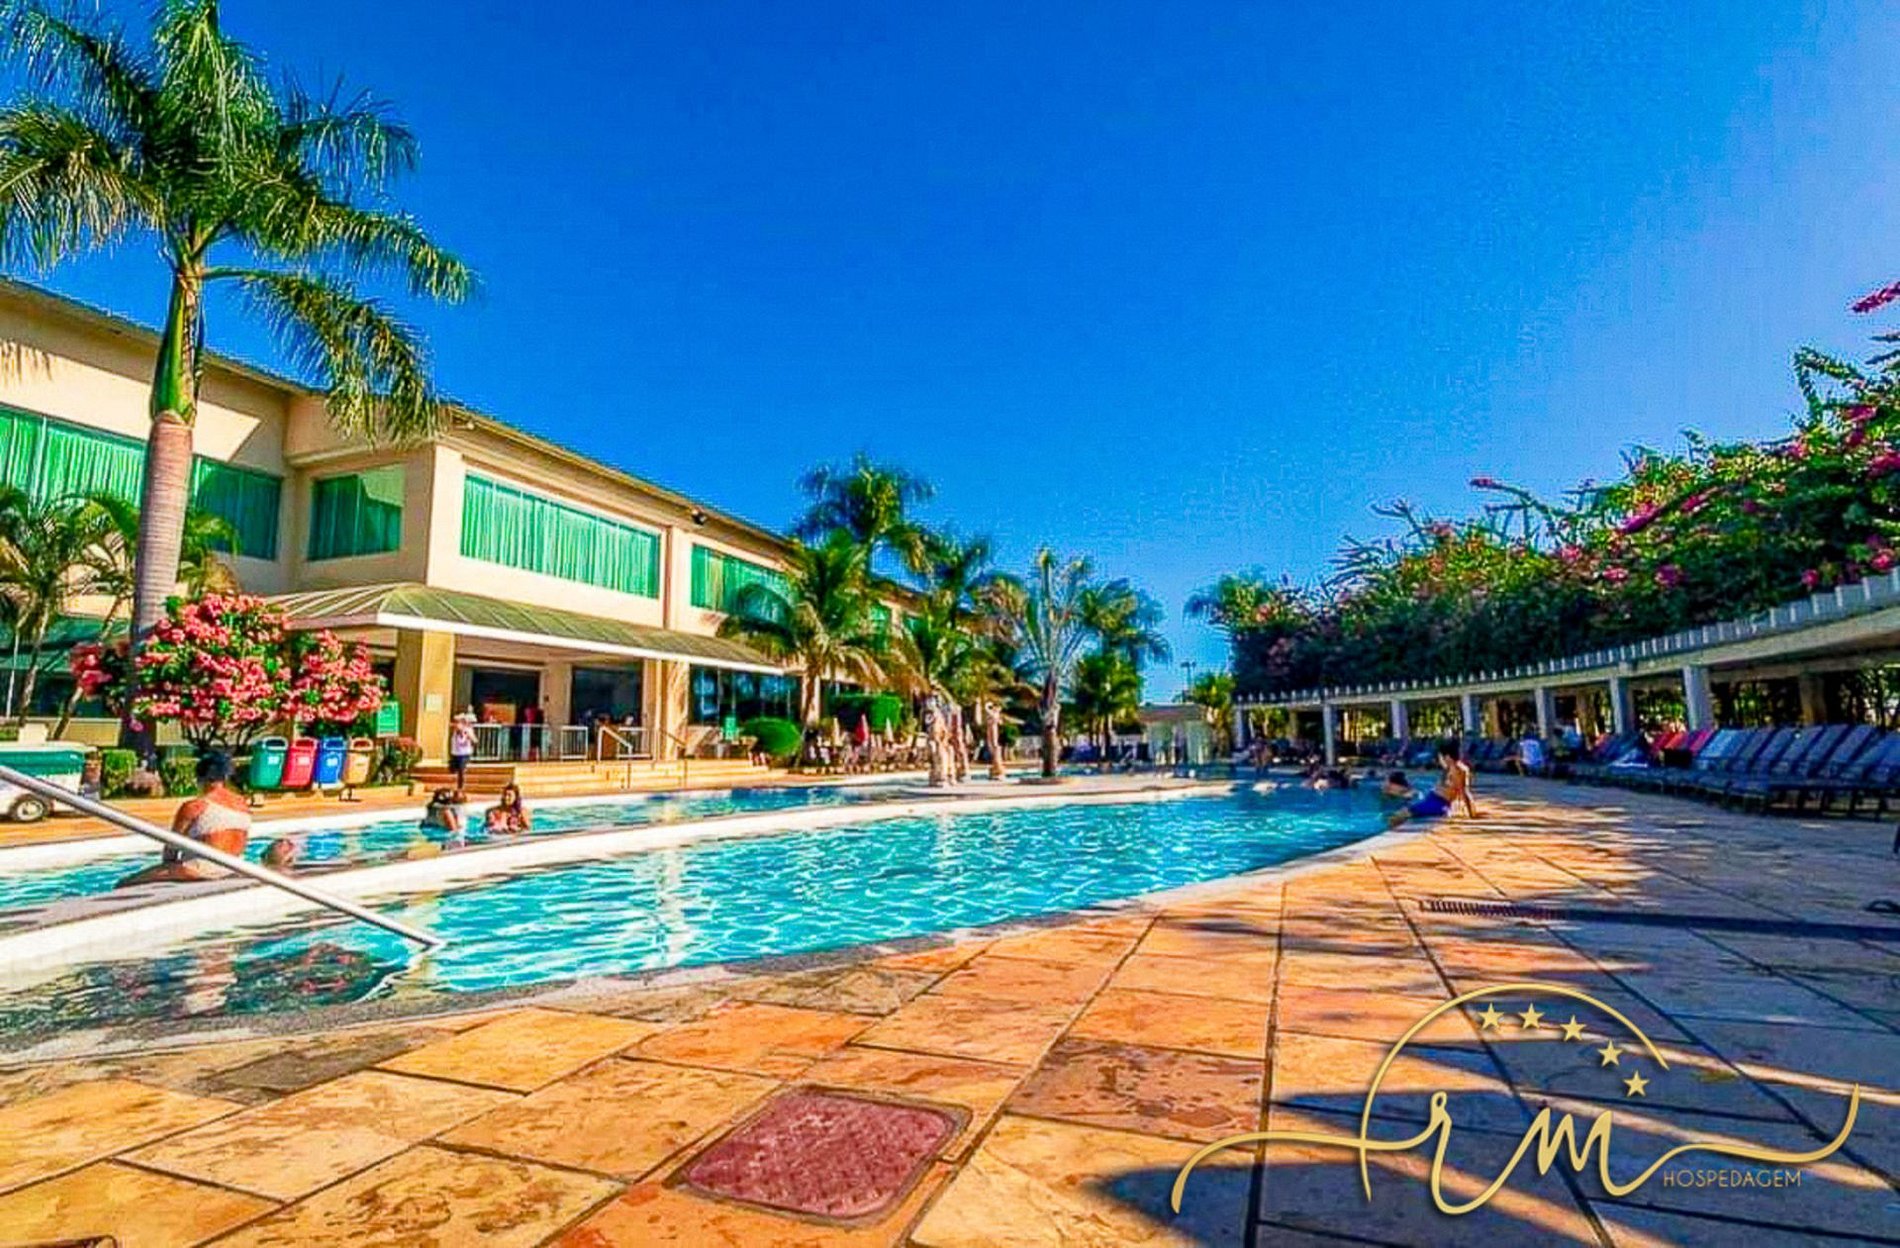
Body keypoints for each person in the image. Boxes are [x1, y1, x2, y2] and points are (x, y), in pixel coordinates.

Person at [117, 752, 252, 886]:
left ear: (199, 777)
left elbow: (171, 850)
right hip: (235, 868)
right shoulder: (242, 804)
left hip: (199, 871)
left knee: (123, 883)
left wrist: (167, 871)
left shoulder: (196, 806)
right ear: (225, 777)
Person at [1387, 741, 1477, 828]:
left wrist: (1471, 815)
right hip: (1433, 800)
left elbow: (1464, 792)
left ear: (1447, 757)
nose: (1440, 759)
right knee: (1403, 810)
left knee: (1400, 814)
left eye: (1441, 757)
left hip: (1438, 803)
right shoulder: (1450, 767)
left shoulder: (1458, 771)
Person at [448, 711, 477, 787]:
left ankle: (460, 787)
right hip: (455, 753)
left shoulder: (467, 730)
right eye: (456, 722)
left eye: (458, 722)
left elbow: (474, 740)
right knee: (452, 769)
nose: (456, 724)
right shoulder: (454, 731)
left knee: (461, 770)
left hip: (464, 754)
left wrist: (468, 736)